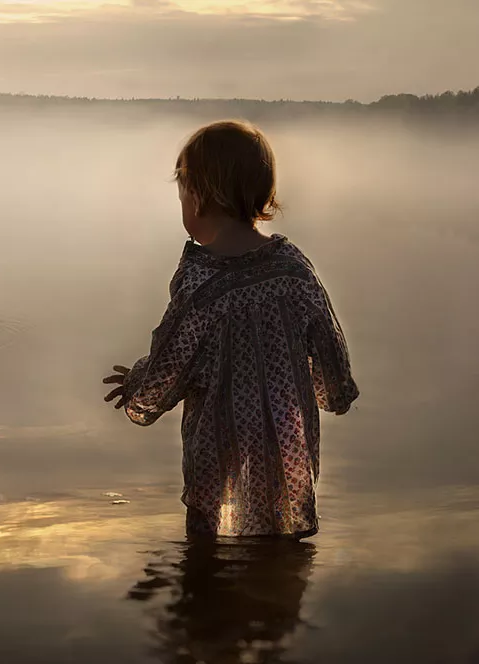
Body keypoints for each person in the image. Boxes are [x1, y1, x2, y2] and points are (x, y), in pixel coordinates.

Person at [103, 120, 359, 539]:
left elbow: (171, 364)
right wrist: (327, 390)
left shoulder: (203, 283)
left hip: (216, 464)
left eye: (182, 193)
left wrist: (137, 385)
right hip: (287, 461)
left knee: (207, 573)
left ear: (198, 197)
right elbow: (332, 361)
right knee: (283, 573)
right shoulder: (294, 270)